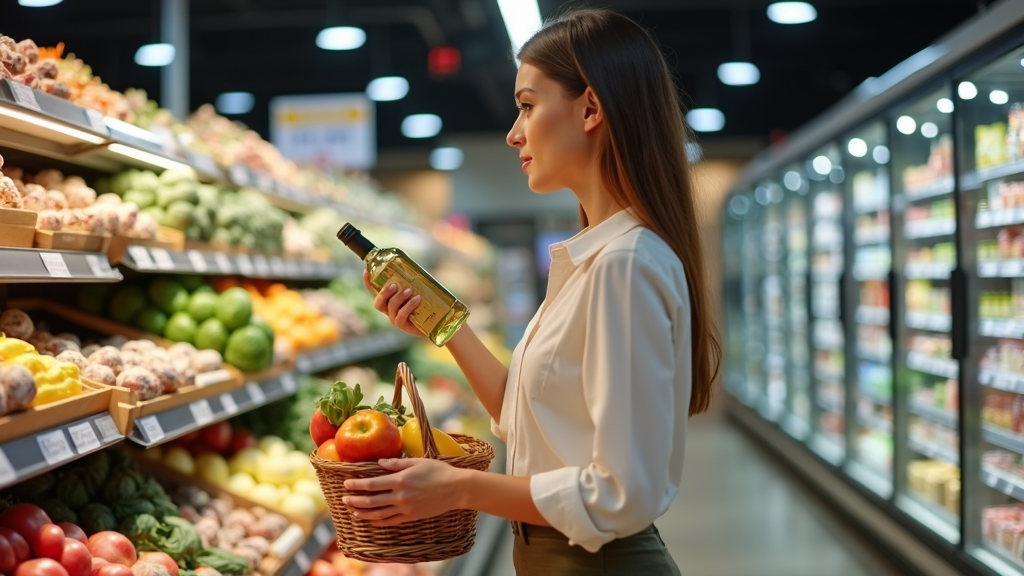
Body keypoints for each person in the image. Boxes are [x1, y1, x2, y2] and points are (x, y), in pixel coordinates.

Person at [343, 8, 721, 575]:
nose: (513, 132)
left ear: (591, 107)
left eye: (527, 104)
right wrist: (444, 325)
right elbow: (525, 420)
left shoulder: (624, 265)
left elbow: (621, 493)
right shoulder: (592, 257)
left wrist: (460, 490)